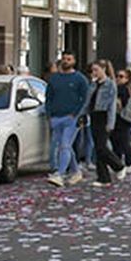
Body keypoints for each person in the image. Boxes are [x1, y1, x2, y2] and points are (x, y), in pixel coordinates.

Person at [45, 53, 90, 186]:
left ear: (74, 61)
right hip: (56, 117)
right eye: (64, 59)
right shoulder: (54, 79)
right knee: (66, 147)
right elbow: (49, 98)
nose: (66, 61)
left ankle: (60, 174)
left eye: (69, 59)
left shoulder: (80, 79)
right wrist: (49, 115)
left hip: (72, 118)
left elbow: (85, 99)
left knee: (65, 144)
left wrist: (77, 114)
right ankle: (76, 171)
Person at [85, 60, 125, 186]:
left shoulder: (110, 85)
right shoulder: (93, 84)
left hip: (104, 116)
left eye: (96, 70)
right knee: (98, 148)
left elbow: (112, 106)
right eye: (93, 70)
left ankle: (118, 165)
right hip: (94, 115)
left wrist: (110, 123)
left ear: (103, 69)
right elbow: (88, 101)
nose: (94, 73)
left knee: (102, 147)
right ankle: (103, 177)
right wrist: (82, 115)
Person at [112, 67, 131, 172]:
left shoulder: (123, 90)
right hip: (121, 119)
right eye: (117, 76)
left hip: (122, 119)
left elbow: (120, 104)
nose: (118, 78)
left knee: (122, 142)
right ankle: (121, 163)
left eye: (121, 77)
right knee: (118, 141)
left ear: (127, 79)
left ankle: (127, 163)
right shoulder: (124, 89)